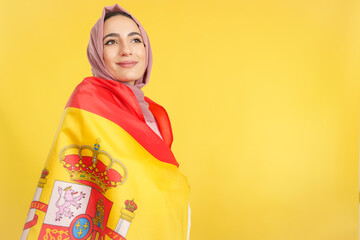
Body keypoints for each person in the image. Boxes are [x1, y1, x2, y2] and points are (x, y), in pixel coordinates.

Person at [21, 4, 190, 240]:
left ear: (146, 48)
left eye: (135, 40)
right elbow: (70, 180)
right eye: (111, 42)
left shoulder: (155, 116)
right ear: (97, 53)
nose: (126, 50)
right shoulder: (88, 101)